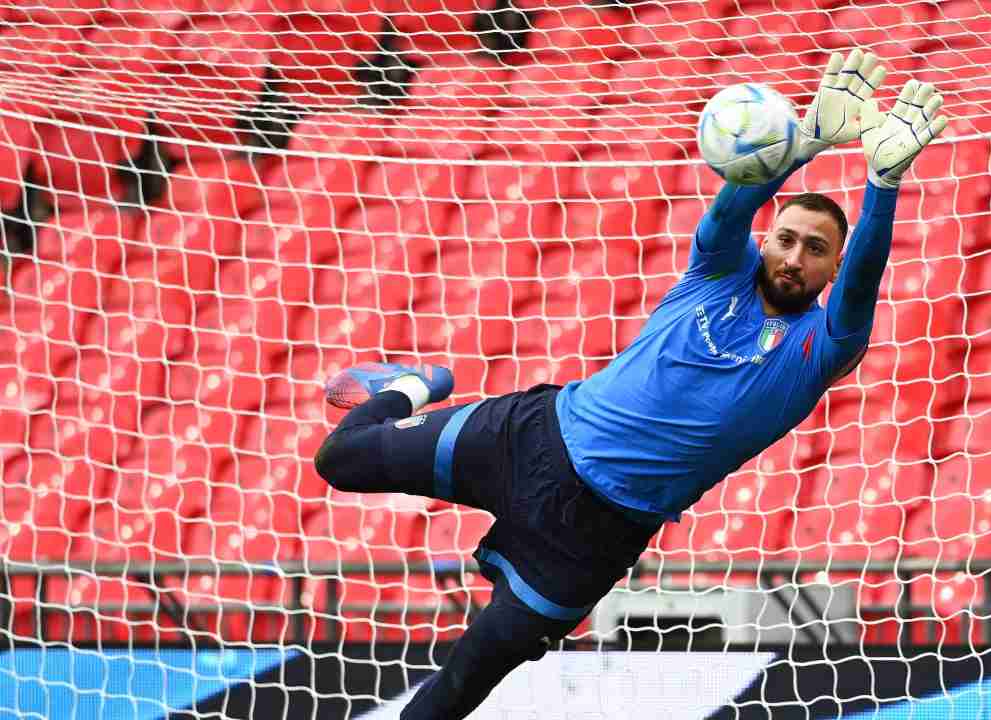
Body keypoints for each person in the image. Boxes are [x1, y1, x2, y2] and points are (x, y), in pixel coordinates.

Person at [312, 49, 948, 720]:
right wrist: (805, 142)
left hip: (592, 536)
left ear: (832, 265)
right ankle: (413, 384)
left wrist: (883, 181)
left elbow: (863, 285)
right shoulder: (715, 271)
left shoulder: (820, 348)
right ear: (767, 241)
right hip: (535, 436)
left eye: (814, 249)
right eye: (786, 238)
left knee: (457, 690)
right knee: (339, 458)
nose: (793, 257)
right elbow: (734, 207)